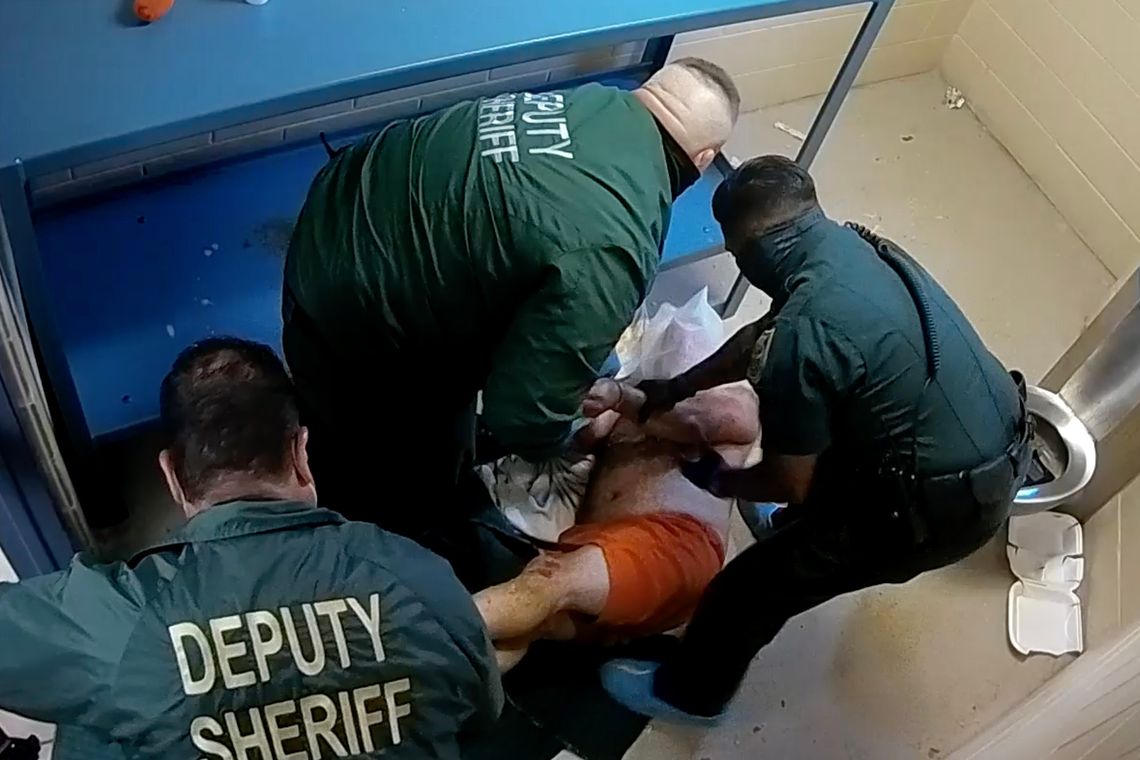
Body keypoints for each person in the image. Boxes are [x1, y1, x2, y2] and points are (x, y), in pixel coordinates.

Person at [601, 155, 1032, 724]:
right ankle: (814, 523)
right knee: (828, 461)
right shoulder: (845, 248)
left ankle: (693, 695)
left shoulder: (804, 335)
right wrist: (674, 389)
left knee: (747, 590)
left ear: (750, 249)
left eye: (732, 251)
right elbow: (762, 334)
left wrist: (721, 479)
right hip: (991, 425)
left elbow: (789, 481)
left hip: (944, 507)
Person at [282, 59, 740, 540]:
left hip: (337, 212)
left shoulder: (589, 101)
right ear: (704, 159)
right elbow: (524, 416)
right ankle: (360, 531)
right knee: (407, 481)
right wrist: (569, 427)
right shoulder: (617, 243)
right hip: (350, 315)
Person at [0, 338, 502, 759]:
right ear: (301, 453)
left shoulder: (117, 622)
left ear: (172, 476)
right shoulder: (421, 578)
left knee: (93, 724)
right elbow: (480, 715)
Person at [474, 378, 758, 671]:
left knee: (544, 586)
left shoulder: (736, 401)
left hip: (673, 540)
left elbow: (696, 421)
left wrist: (621, 396)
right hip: (605, 542)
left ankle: (430, 636)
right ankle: (444, 689)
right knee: (535, 619)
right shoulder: (637, 399)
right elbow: (586, 436)